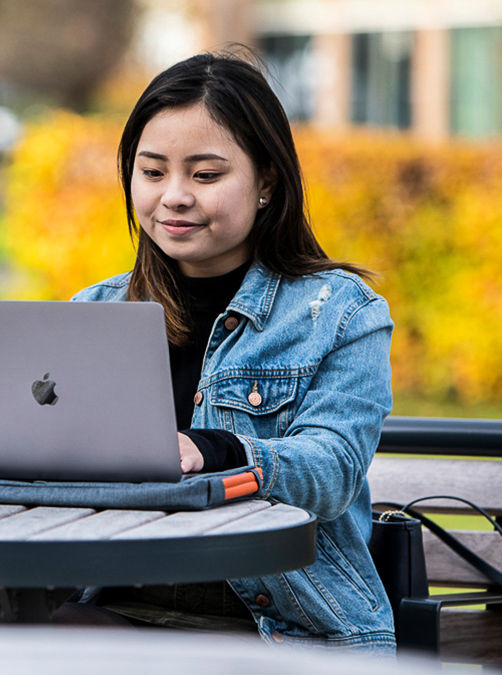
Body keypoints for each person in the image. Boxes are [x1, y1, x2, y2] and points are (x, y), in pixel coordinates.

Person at [57, 51, 396, 655]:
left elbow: (332, 466)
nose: (174, 197)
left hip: (280, 632)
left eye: (205, 175)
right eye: (152, 172)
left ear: (267, 180)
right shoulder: (97, 311)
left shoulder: (342, 314)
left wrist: (220, 450)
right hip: (118, 612)